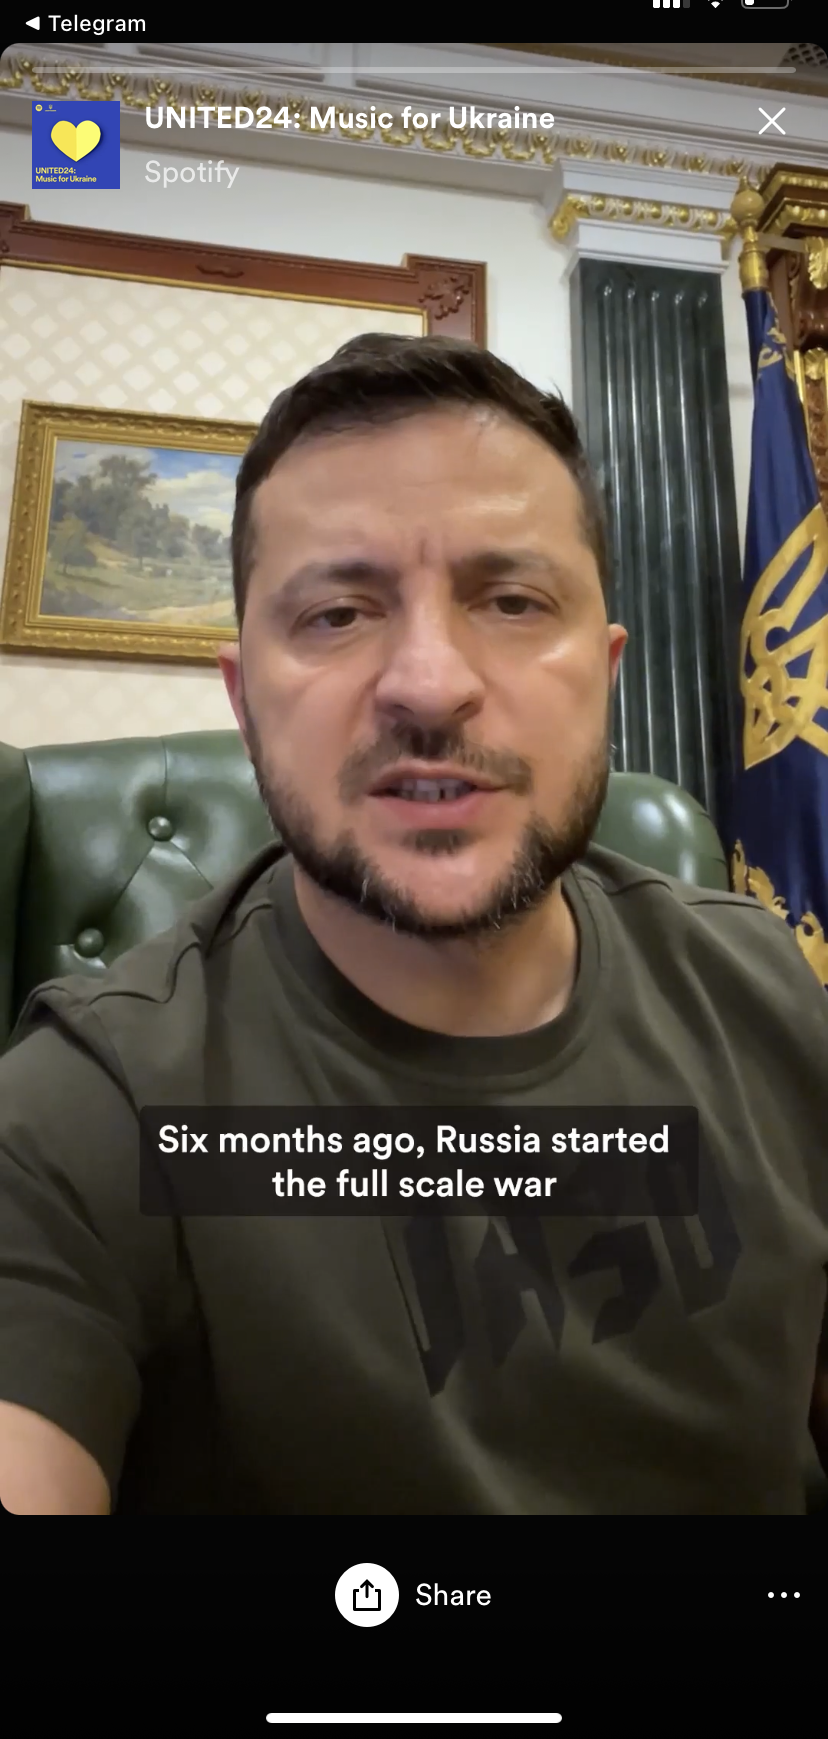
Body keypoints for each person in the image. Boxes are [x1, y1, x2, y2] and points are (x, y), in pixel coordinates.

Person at [0, 334, 826, 1515]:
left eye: (512, 600)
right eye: (338, 613)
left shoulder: (771, 993)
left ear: (606, 675)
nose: (430, 684)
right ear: (246, 703)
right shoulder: (81, 1113)